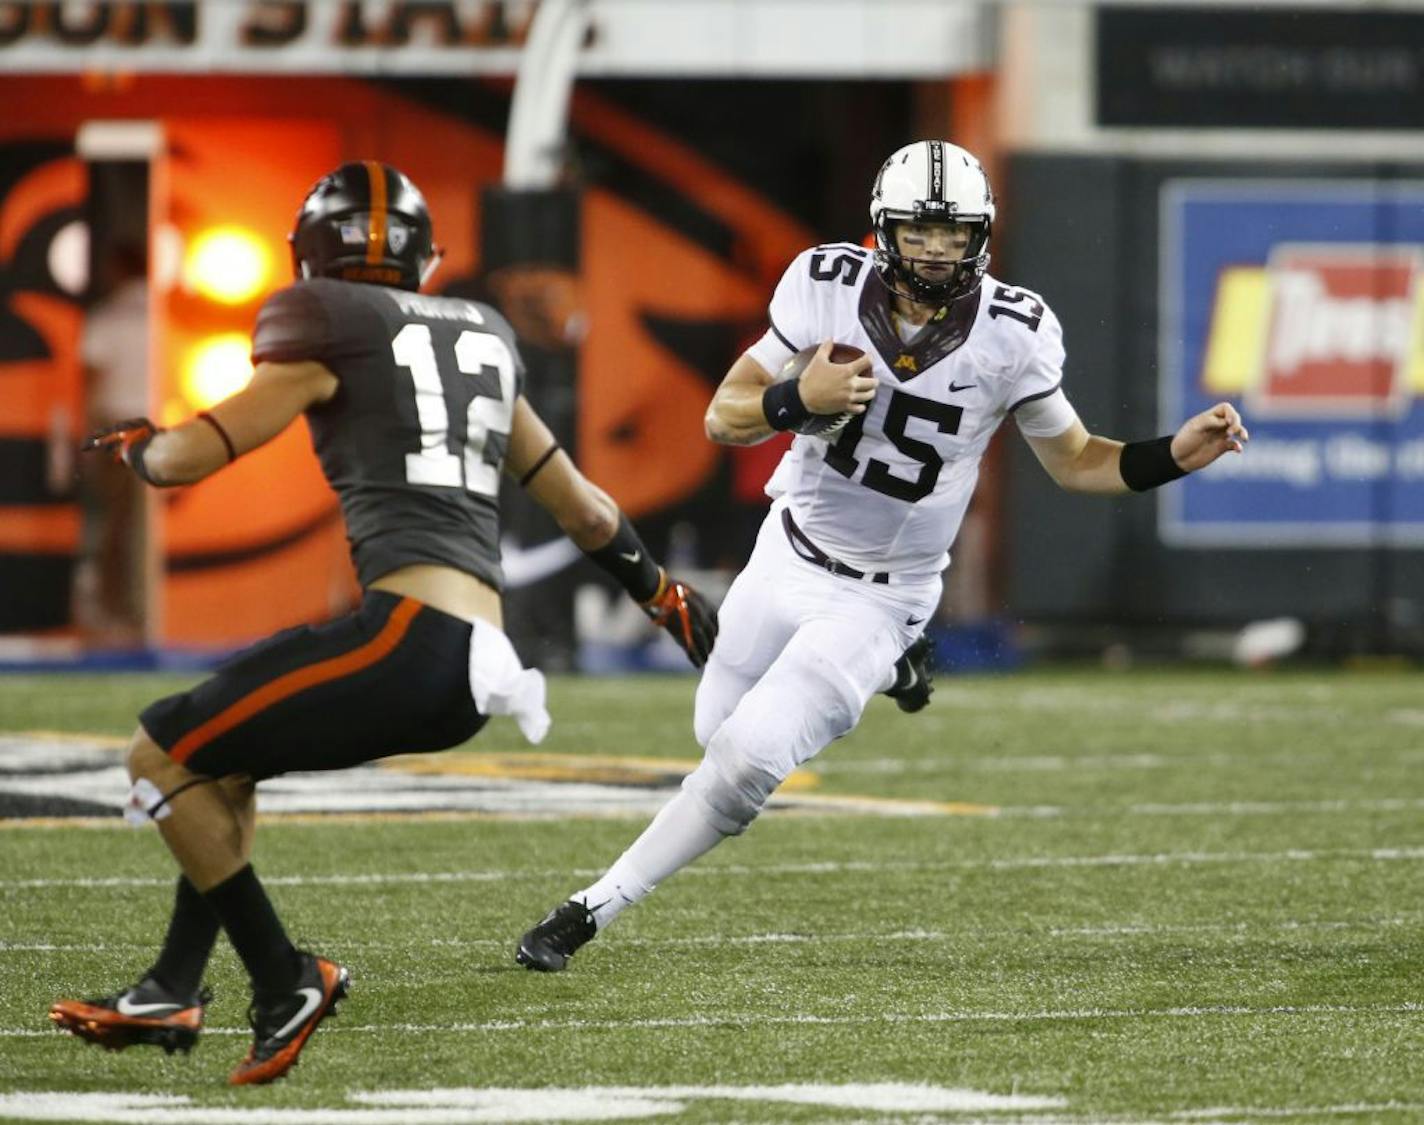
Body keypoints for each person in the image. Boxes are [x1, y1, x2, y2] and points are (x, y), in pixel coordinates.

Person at [48, 161, 717, 1085]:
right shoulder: (482, 336)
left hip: (409, 637)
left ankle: (287, 979)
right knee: (220, 759)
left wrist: (141, 449)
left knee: (157, 753)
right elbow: (588, 513)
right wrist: (667, 599)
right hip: (475, 653)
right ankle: (171, 984)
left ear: (309, 255)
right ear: (421, 257)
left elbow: (197, 453)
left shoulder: (328, 327)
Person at [514, 139, 1248, 972]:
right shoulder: (822, 284)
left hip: (883, 594)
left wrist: (1171, 454)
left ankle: (587, 910)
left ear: (982, 236)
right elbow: (724, 416)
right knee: (714, 732)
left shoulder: (1015, 333)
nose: (936, 248)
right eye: (919, 229)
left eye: (953, 231)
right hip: (788, 549)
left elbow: (1078, 459)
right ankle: (898, 669)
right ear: (882, 230)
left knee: (746, 762)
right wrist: (799, 398)